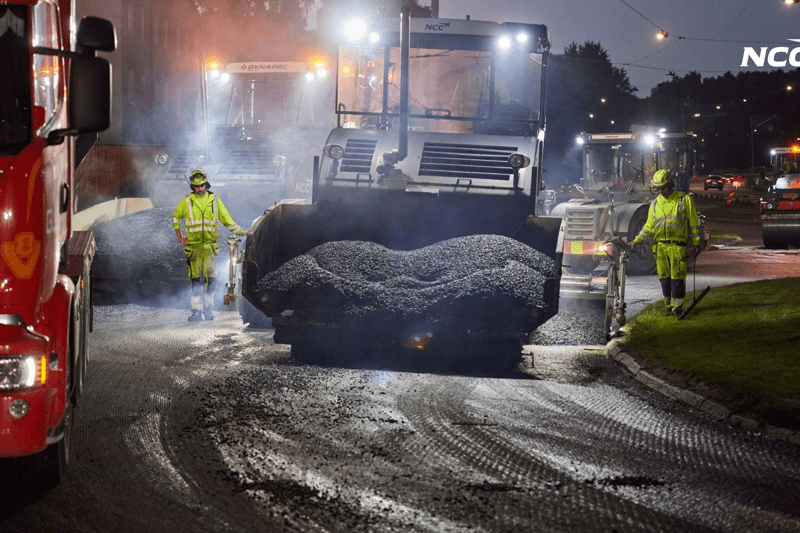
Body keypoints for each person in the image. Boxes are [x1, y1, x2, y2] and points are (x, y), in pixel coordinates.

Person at [172, 169, 248, 321]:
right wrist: (180, 237)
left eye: (202, 186)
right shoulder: (187, 201)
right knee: (195, 282)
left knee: (211, 281)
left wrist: (242, 232)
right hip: (193, 248)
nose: (200, 189)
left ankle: (208, 310)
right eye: (197, 187)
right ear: (192, 187)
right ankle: (196, 312)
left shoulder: (214, 200)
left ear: (206, 184)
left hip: (209, 248)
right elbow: (175, 218)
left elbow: (226, 220)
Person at [628, 169, 702, 316]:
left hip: (678, 246)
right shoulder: (655, 204)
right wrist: (636, 241)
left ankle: (677, 308)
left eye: (663, 188)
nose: (661, 191)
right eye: (658, 189)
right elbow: (649, 226)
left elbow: (694, 223)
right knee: (664, 280)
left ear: (670, 184)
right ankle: (668, 306)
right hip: (660, 247)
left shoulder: (683, 199)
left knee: (677, 278)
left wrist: (696, 243)